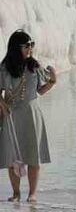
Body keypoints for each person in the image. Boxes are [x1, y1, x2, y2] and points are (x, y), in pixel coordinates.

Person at [1, 31, 56, 202]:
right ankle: (16, 193)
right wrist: (2, 105)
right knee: (12, 157)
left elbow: (40, 91)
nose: (30, 49)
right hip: (11, 116)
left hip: (32, 114)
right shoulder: (4, 68)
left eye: (32, 45)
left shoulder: (34, 66)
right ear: (16, 48)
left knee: (33, 155)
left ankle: (32, 193)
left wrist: (52, 82)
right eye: (26, 46)